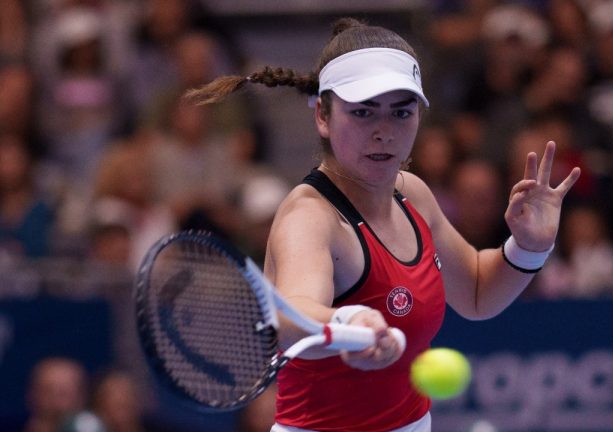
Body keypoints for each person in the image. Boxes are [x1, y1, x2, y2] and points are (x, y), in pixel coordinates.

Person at [186, 17, 580, 432]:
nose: (384, 132)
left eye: (401, 112)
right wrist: (348, 323)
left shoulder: (412, 193)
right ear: (322, 115)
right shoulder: (310, 217)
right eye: (363, 112)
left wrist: (529, 247)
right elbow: (292, 317)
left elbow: (478, 292)